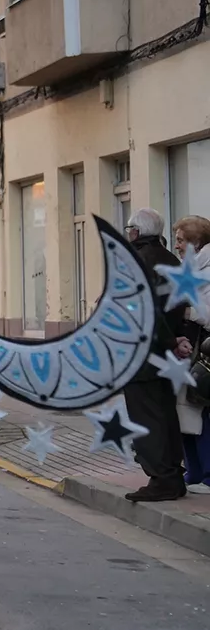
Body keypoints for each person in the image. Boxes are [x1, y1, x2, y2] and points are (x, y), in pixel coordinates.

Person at [123, 208, 188, 501]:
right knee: (165, 415)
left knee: (146, 418)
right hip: (168, 357)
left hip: (142, 355)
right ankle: (173, 475)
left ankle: (162, 480)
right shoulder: (172, 261)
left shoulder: (134, 262)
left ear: (136, 232)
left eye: (128, 229)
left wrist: (168, 339)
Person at [174, 215, 210, 493]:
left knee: (201, 412)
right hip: (190, 351)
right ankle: (195, 469)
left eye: (180, 240)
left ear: (195, 242)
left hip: (204, 353)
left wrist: (186, 311)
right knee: (187, 412)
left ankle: (205, 471)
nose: (177, 246)